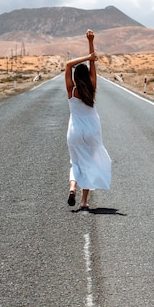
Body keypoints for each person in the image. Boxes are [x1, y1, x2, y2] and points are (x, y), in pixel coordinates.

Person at [65, 30, 111, 210]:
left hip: (75, 131)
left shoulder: (71, 91)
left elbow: (68, 64)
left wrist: (86, 56)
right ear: (88, 77)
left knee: (75, 162)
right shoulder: (91, 88)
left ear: (76, 77)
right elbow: (94, 64)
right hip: (92, 131)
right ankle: (84, 202)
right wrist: (91, 43)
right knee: (89, 163)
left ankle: (72, 188)